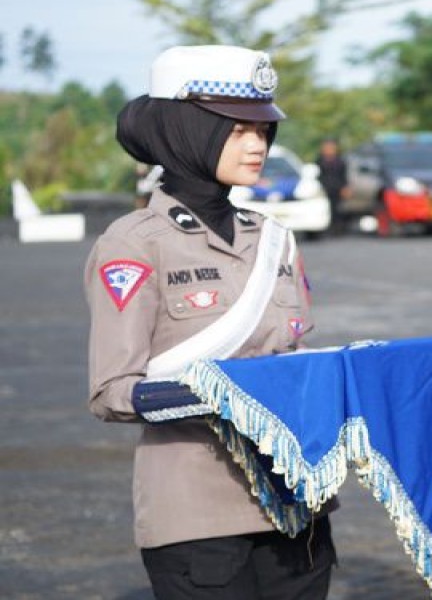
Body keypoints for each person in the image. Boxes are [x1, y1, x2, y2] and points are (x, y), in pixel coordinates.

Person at [85, 45, 335, 599]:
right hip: (199, 520)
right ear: (183, 129)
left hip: (297, 511)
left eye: (263, 129)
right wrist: (228, 396)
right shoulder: (133, 244)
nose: (257, 144)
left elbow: (295, 361)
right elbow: (112, 391)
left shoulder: (273, 239)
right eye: (237, 128)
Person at [315, 138, 348, 235]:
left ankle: (337, 229)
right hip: (323, 189)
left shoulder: (340, 161)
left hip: (336, 189)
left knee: (337, 210)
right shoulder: (319, 161)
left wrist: (345, 187)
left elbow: (344, 176)